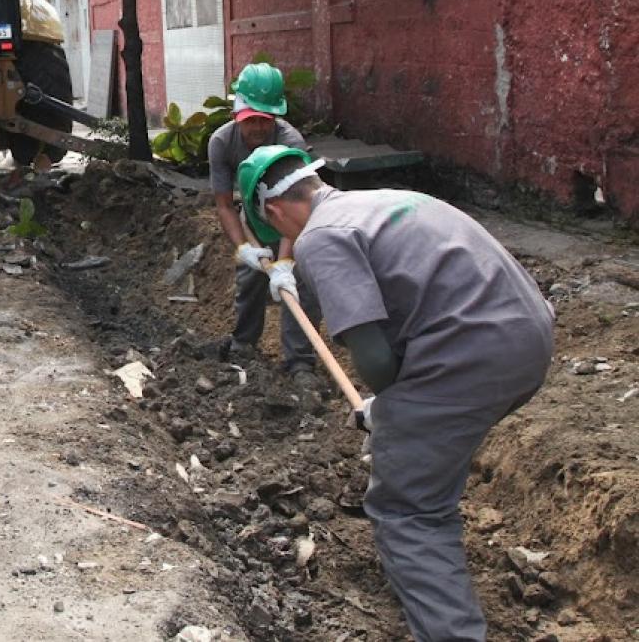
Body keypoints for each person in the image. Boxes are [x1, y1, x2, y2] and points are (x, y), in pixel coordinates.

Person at [238, 145, 554, 642]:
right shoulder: (386, 200)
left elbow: (375, 360)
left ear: (273, 212)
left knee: (408, 509)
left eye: (277, 232)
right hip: (527, 337)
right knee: (424, 455)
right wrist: (400, 411)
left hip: (468, 355)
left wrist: (388, 411)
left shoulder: (321, 237)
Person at [206, 62, 322, 387]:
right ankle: (244, 343)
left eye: (265, 120)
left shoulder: (292, 144)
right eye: (251, 120)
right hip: (253, 217)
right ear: (236, 115)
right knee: (249, 278)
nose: (258, 128)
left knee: (300, 283)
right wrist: (244, 248)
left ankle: (300, 363)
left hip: (294, 219)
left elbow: (298, 210)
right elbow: (225, 205)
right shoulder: (221, 143)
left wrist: (285, 262)